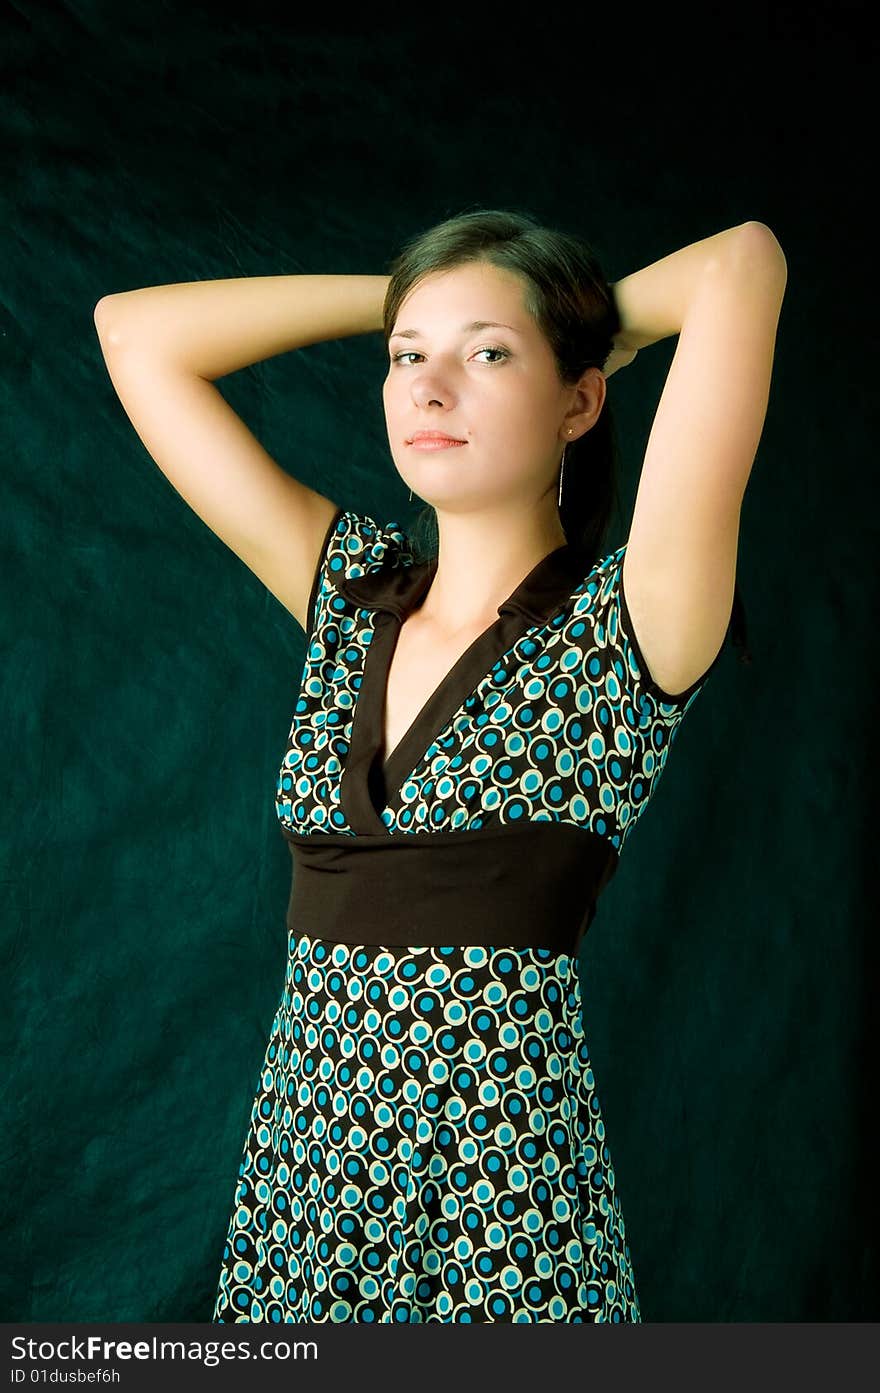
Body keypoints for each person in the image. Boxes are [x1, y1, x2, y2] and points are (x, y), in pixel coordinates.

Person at [94, 208, 787, 1322]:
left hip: (504, 1204)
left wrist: (562, 321)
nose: (429, 386)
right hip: (303, 1189)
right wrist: (424, 299)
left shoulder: (633, 617)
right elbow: (135, 334)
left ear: (580, 397)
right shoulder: (349, 596)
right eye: (406, 357)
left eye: (489, 356)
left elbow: (739, 263)